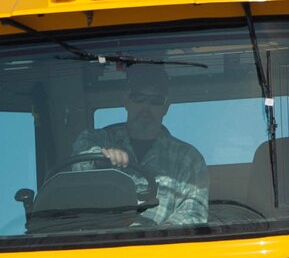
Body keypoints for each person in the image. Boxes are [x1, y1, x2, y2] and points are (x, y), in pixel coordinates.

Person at [71, 65, 209, 227]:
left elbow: (194, 212)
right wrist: (101, 157)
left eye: (156, 101)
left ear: (166, 107)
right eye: (139, 98)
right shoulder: (95, 139)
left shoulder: (188, 158)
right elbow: (76, 168)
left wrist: (164, 233)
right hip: (98, 245)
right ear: (126, 101)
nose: (146, 108)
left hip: (161, 248)